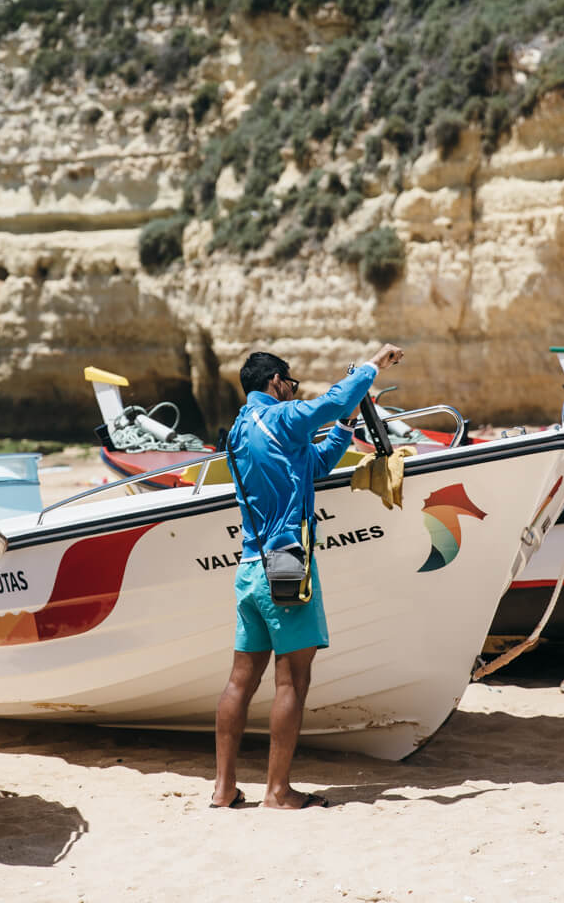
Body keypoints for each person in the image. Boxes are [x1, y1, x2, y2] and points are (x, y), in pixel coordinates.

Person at [211, 342, 404, 811]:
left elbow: (310, 465)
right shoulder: (279, 417)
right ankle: (277, 792)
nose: (292, 391)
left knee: (239, 682)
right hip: (287, 564)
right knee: (292, 683)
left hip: (251, 569)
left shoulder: (239, 430)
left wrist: (343, 431)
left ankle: (223, 789)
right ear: (274, 382)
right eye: (289, 383)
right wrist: (370, 367)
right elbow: (334, 400)